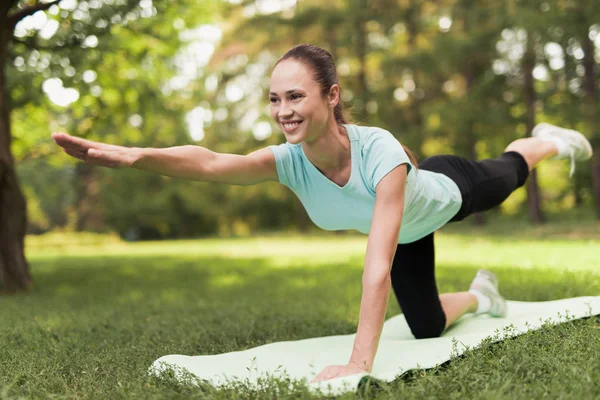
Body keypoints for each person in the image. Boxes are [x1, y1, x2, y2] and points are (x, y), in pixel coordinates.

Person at [51, 43, 593, 384]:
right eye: (273, 99)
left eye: (295, 96)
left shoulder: (377, 150)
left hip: (445, 191)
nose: (283, 111)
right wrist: (134, 156)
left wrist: (360, 362)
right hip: (405, 229)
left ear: (331, 96)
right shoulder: (288, 163)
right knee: (427, 327)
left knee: (508, 172)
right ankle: (483, 295)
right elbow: (215, 162)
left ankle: (543, 141)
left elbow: (375, 267)